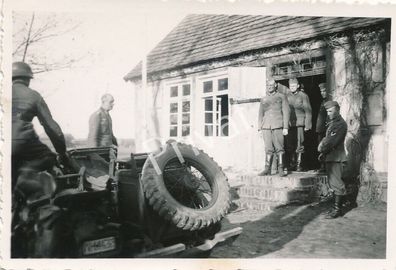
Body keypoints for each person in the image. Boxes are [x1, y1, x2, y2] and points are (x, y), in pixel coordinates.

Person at [12, 62, 67, 189]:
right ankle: (27, 177)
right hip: (22, 142)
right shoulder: (33, 95)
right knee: (48, 157)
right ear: (28, 79)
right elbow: (51, 127)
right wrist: (61, 152)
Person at [318, 101, 348, 219]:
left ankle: (337, 210)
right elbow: (328, 139)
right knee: (333, 183)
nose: (329, 113)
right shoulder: (332, 123)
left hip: (336, 158)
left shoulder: (340, 124)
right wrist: (323, 153)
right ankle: (336, 207)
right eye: (327, 112)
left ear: (337, 110)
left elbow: (331, 141)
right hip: (331, 157)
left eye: (331, 111)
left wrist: (321, 148)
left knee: (336, 183)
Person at [258, 79, 290, 177]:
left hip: (278, 125)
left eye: (272, 85)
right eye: (268, 85)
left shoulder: (281, 97)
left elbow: (286, 111)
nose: (270, 86)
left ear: (275, 85)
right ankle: (267, 169)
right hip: (266, 126)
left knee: (279, 147)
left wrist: (285, 127)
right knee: (268, 148)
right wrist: (259, 127)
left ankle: (280, 168)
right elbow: (260, 114)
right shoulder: (263, 99)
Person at [285, 77, 312, 172]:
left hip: (300, 123)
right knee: (290, 144)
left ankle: (298, 164)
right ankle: (292, 163)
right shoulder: (287, 96)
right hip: (290, 124)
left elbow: (308, 111)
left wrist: (307, 124)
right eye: (290, 86)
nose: (292, 87)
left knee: (300, 144)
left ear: (298, 86)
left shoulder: (303, 96)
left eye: (294, 86)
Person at [316, 82, 330, 173]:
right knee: (321, 147)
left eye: (324, 91)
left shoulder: (329, 102)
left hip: (326, 129)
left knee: (326, 147)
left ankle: (325, 166)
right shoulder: (323, 102)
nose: (322, 93)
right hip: (321, 129)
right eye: (321, 91)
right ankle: (322, 165)